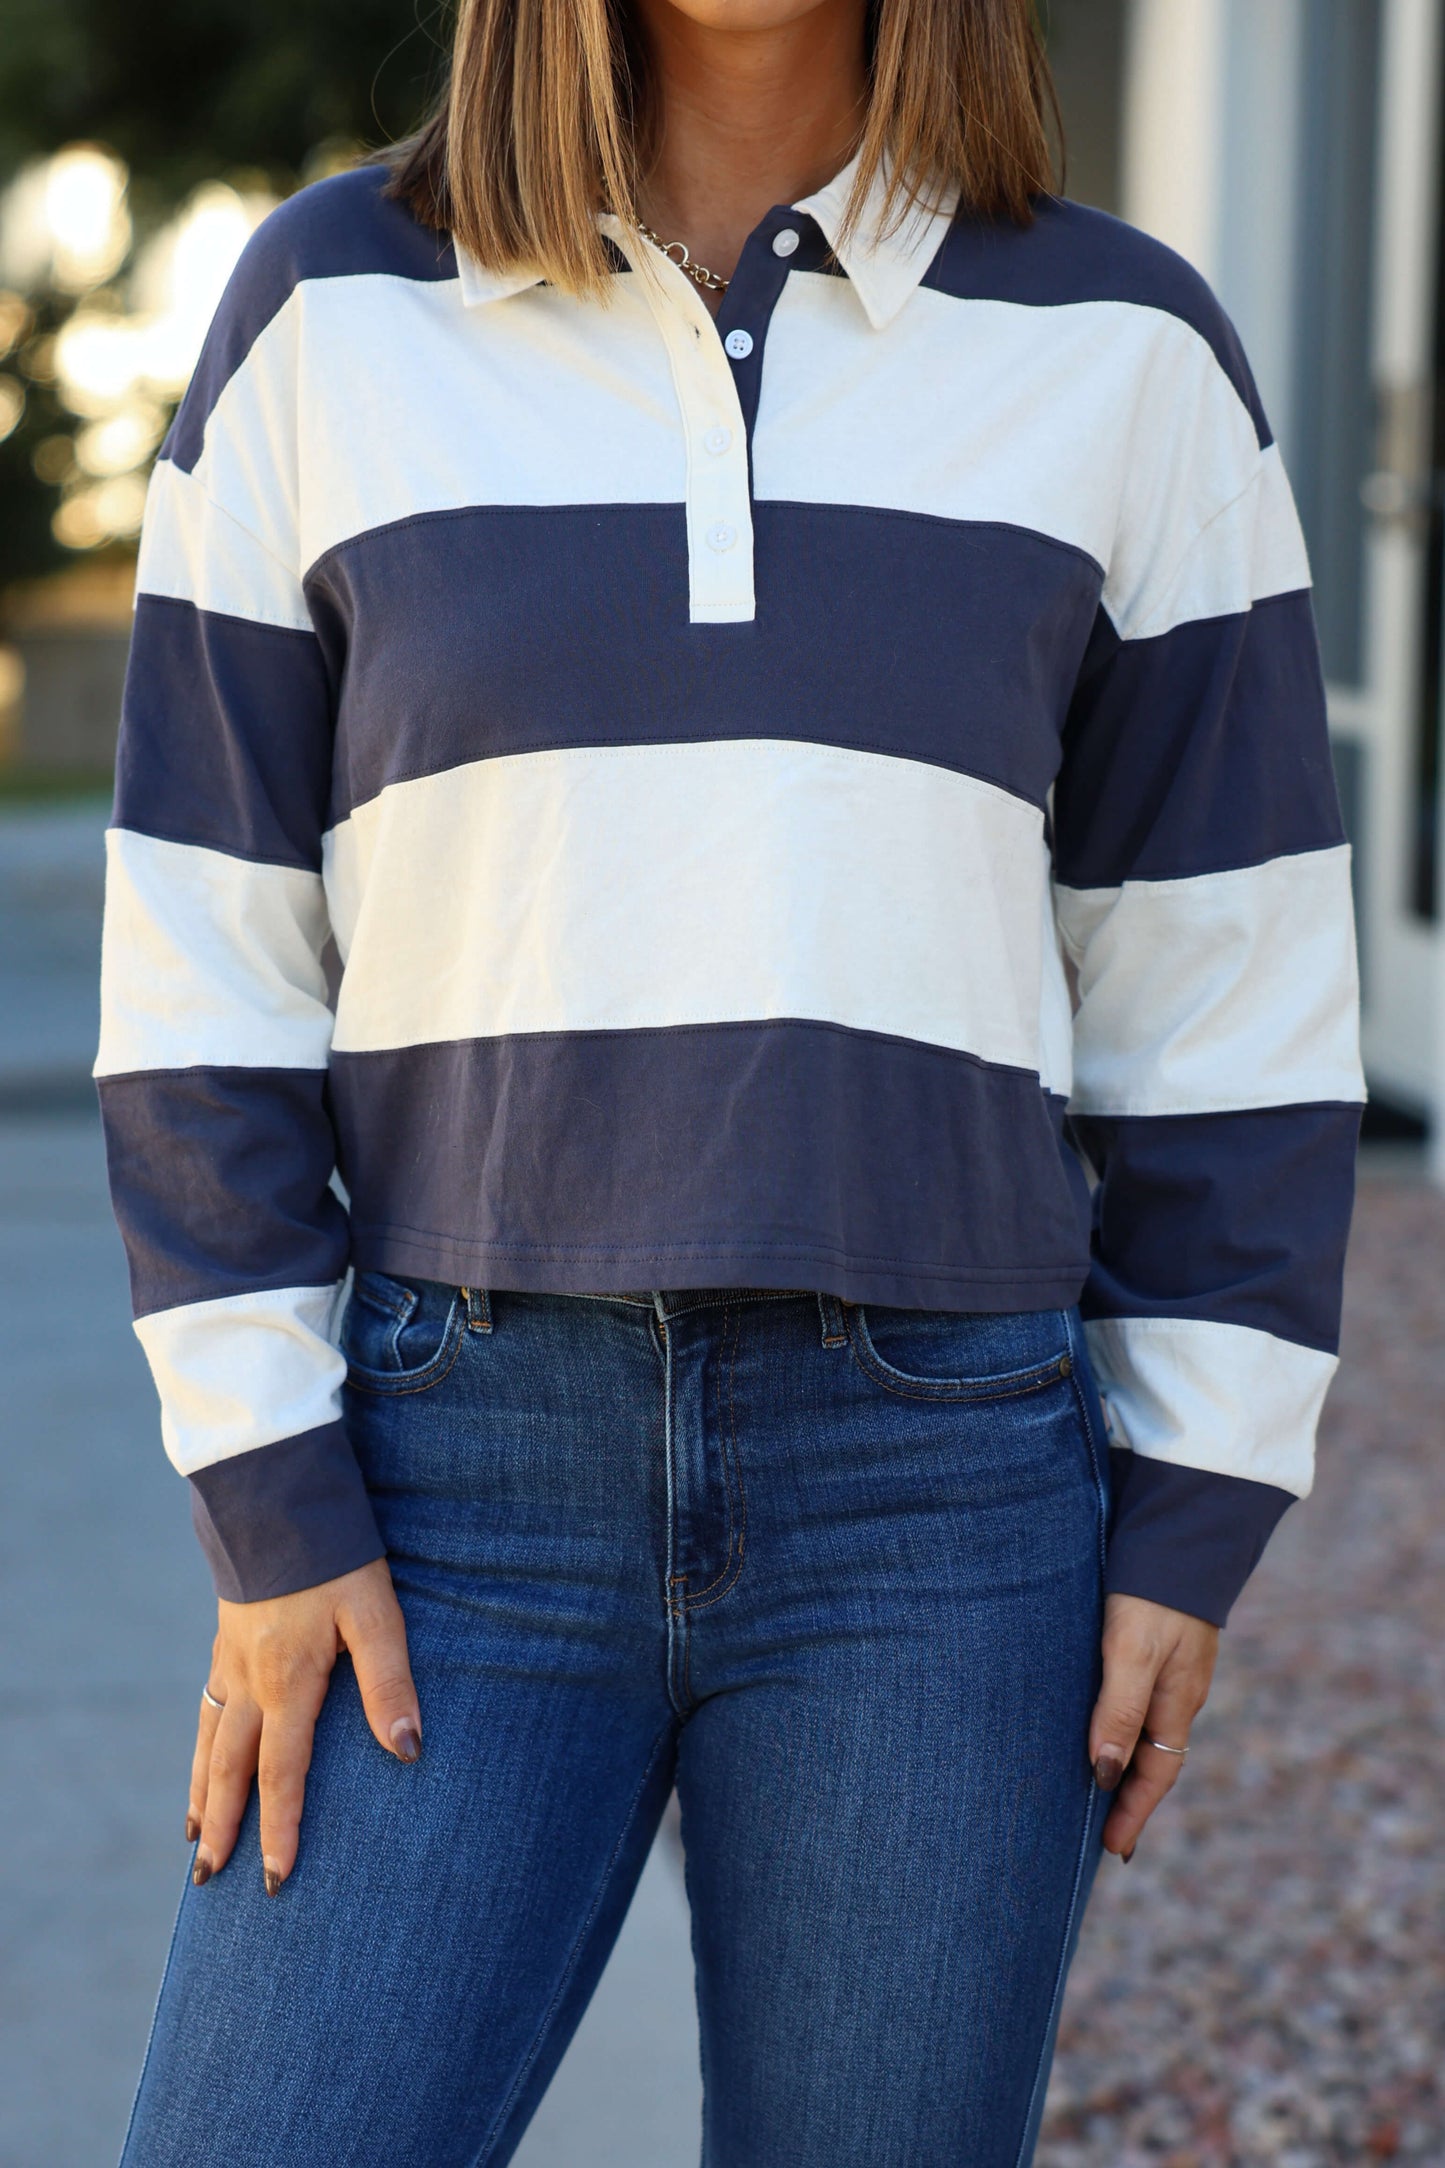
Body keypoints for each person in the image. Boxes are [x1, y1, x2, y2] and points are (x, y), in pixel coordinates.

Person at [95, 0, 1364, 2156]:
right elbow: (206, 943)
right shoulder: (328, 311)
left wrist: (1195, 1505)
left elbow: (1226, 982)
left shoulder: (1129, 347)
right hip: (442, 1483)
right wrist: (264, 1488)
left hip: (939, 1502)